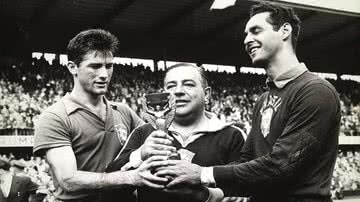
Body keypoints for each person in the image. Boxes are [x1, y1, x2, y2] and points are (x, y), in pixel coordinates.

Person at [155, 3, 341, 202]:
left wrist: (202, 173)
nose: (247, 40)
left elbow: (282, 164)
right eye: (246, 34)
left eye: (256, 31)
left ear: (285, 31)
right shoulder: (264, 98)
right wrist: (209, 194)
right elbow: (247, 161)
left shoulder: (315, 91)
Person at [33, 29, 170, 202]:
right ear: (72, 67)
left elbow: (155, 143)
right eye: (95, 66)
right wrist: (131, 177)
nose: (104, 74)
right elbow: (68, 180)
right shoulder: (55, 117)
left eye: (109, 66)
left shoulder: (124, 112)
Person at [105, 63, 246, 202]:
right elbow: (110, 186)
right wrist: (139, 156)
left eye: (189, 84)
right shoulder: (144, 132)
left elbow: (245, 190)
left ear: (207, 94)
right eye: (171, 86)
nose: (178, 91)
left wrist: (205, 195)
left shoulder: (232, 136)